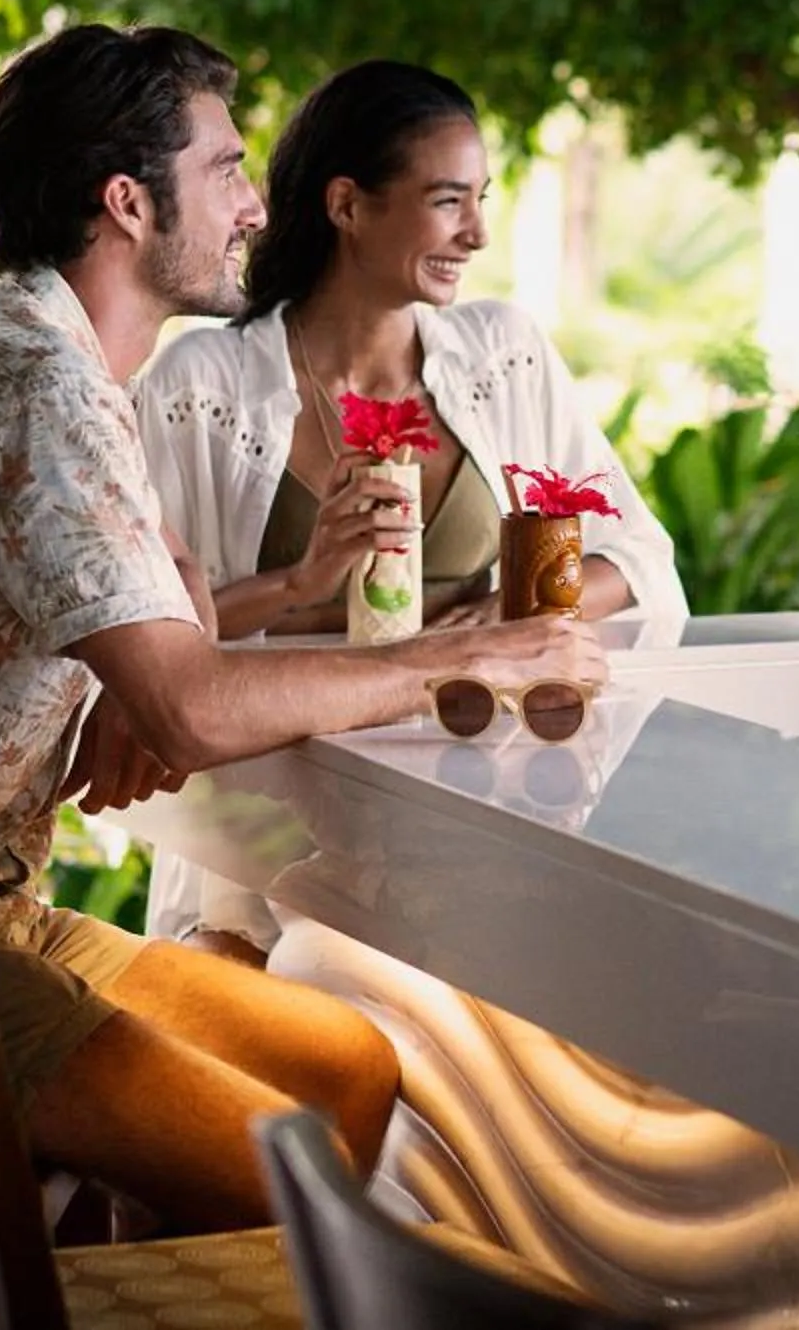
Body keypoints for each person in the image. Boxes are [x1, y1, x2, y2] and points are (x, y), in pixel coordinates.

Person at [0, 24, 606, 1231]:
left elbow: (156, 661)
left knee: (346, 1071)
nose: (257, 206)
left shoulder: (33, 350)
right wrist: (463, 653)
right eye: (224, 169)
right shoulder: (33, 382)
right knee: (289, 1183)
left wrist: (167, 665)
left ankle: (151, 1270)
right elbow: (193, 707)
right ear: (128, 203)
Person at [134, 59, 684, 960]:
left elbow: (636, 556)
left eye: (481, 200)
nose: (476, 233)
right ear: (347, 205)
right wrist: (296, 584)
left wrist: (515, 617)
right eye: (447, 201)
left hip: (484, 810)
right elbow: (157, 648)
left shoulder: (502, 353)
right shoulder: (203, 384)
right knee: (325, 984)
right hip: (276, 828)